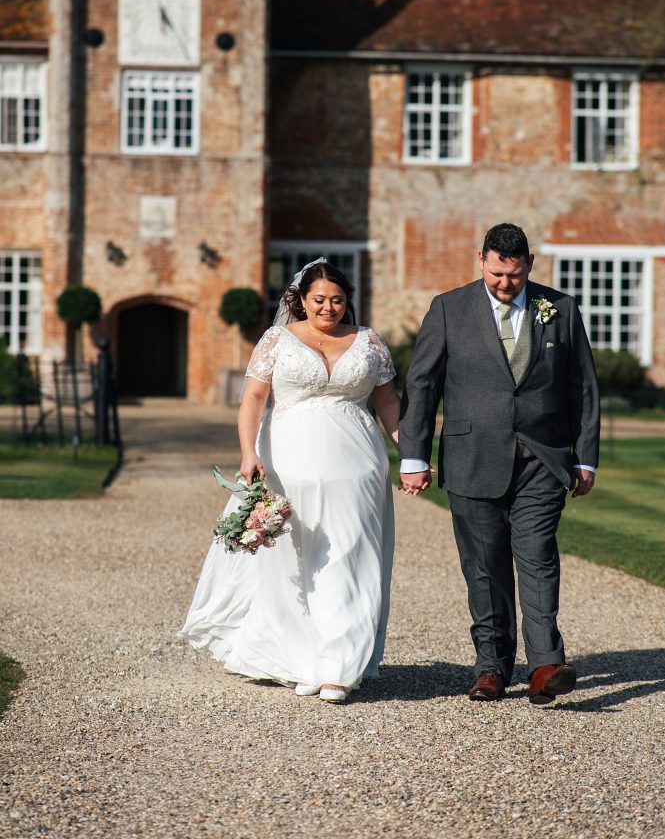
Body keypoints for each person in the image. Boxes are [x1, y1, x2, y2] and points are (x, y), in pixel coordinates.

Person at [180, 260, 400, 703]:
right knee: (296, 563)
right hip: (288, 463)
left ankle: (340, 667)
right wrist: (248, 452)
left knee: (350, 557)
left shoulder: (369, 342)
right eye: (319, 299)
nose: (329, 307)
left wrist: (411, 456)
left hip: (356, 467)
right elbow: (253, 399)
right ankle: (304, 659)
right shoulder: (277, 340)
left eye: (337, 300)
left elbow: (389, 403)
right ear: (301, 300)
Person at [398, 224, 600, 705]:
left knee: (538, 560)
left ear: (529, 264)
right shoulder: (448, 308)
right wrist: (413, 455)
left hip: (543, 460)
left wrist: (585, 457)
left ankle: (546, 664)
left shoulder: (562, 309)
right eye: (495, 273)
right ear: (480, 260)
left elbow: (583, 388)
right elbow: (422, 385)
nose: (504, 283)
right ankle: (491, 667)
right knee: (485, 569)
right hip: (472, 459)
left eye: (513, 274)